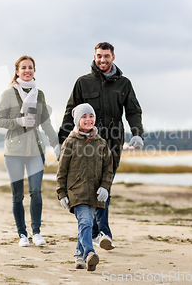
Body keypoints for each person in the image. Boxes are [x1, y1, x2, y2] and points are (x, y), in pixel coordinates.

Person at [55, 42, 144, 250]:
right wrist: (60, 141)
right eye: (98, 56)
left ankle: (100, 232)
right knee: (89, 186)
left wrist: (137, 134)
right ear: (94, 57)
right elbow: (70, 112)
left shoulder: (124, 84)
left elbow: (133, 111)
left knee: (105, 184)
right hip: (84, 144)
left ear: (113, 57)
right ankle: (99, 232)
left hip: (112, 143)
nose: (102, 60)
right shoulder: (83, 83)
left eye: (106, 56)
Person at [0, 55, 58, 247]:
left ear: (34, 70)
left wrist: (56, 144)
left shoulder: (39, 94)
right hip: (13, 152)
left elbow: (46, 122)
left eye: (30, 67)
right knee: (17, 195)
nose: (27, 70)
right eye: (23, 68)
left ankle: (36, 232)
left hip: (36, 151)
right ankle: (22, 234)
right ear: (17, 71)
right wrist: (18, 122)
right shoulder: (8, 94)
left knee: (36, 192)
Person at [56, 103, 113, 271]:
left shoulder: (101, 142)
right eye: (84, 117)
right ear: (76, 121)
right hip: (77, 191)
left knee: (84, 225)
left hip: (95, 193)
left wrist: (105, 187)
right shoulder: (70, 142)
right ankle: (89, 253)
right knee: (86, 221)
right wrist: (62, 193)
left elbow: (108, 168)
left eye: (91, 116)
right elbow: (62, 170)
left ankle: (78, 256)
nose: (88, 120)